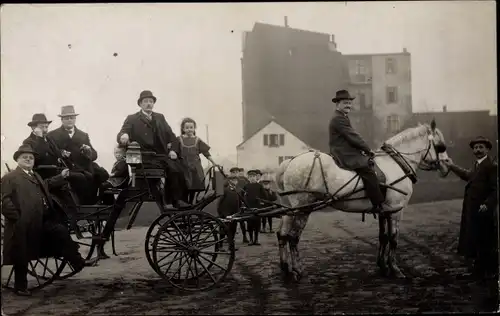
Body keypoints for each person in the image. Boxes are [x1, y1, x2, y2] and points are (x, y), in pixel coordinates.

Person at [1, 144, 98, 296]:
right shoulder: (10, 178)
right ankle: (20, 287)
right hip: (22, 222)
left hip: (41, 220)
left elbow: (45, 185)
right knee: (21, 252)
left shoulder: (35, 176)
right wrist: (17, 217)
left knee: (60, 230)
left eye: (31, 157)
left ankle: (76, 261)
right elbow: (5, 201)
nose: (28, 159)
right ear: (17, 160)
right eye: (24, 157)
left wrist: (61, 177)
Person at [116, 90, 190, 208]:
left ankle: (177, 201)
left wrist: (173, 150)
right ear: (140, 104)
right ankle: (174, 201)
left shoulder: (160, 118)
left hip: (160, 156)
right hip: (143, 158)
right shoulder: (132, 119)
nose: (149, 104)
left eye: (151, 101)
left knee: (179, 168)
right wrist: (123, 136)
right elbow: (122, 133)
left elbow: (171, 136)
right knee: (173, 169)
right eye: (145, 101)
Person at [22, 113, 88, 238]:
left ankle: (78, 215)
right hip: (42, 175)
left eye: (46, 127)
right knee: (72, 182)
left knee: (83, 177)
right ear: (33, 128)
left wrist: (62, 154)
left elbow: (56, 154)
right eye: (42, 127)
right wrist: (40, 138)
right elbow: (37, 158)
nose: (45, 130)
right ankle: (73, 218)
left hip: (56, 171)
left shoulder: (49, 139)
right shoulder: (29, 142)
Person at [442, 136, 498, 279]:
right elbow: (468, 175)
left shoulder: (491, 166)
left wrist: (487, 204)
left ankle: (488, 271)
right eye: (475, 147)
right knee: (475, 237)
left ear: (487, 149)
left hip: (483, 208)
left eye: (481, 147)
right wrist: (452, 166)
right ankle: (479, 268)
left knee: (486, 238)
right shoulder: (476, 165)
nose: (478, 150)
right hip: (472, 208)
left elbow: (495, 189)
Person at [329, 90, 385, 214]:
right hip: (343, 153)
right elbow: (352, 136)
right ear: (337, 104)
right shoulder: (339, 119)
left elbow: (350, 138)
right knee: (368, 170)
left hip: (346, 150)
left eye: (349, 103)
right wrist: (367, 149)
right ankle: (377, 204)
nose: (348, 105)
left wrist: (362, 150)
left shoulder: (341, 117)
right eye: (345, 103)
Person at [48, 105, 109, 204]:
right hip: (66, 170)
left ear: (75, 119)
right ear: (62, 120)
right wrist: (60, 154)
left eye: (72, 118)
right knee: (79, 179)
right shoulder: (52, 135)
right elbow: (50, 154)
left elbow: (94, 156)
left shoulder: (83, 135)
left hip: (84, 169)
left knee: (99, 177)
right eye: (66, 118)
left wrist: (88, 152)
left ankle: (92, 206)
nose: (69, 120)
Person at [178, 117, 219, 204]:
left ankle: (191, 202)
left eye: (191, 127)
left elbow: (206, 153)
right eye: (187, 128)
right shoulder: (179, 139)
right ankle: (184, 202)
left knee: (194, 186)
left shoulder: (197, 140)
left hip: (195, 167)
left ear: (194, 128)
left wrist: (214, 162)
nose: (189, 130)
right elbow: (174, 150)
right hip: (183, 167)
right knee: (184, 185)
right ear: (183, 129)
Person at [243, 169, 267, 246]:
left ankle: (256, 240)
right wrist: (243, 202)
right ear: (248, 178)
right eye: (250, 177)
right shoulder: (246, 186)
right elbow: (241, 195)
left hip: (257, 208)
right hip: (249, 208)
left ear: (256, 177)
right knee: (249, 224)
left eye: (253, 176)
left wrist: (262, 202)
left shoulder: (259, 186)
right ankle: (250, 240)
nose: (252, 178)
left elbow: (265, 196)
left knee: (257, 224)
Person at [216, 175, 240, 251]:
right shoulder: (225, 190)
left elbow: (237, 202)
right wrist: (221, 213)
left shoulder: (236, 191)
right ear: (230, 181)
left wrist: (237, 212)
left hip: (234, 214)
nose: (235, 182)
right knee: (223, 230)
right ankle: (220, 246)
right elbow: (219, 203)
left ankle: (231, 246)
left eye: (236, 180)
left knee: (233, 230)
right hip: (225, 214)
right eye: (233, 180)